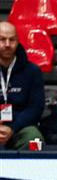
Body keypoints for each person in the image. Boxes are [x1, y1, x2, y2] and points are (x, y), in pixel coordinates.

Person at [0, 22, 47, 150]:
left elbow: (35, 108)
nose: (7, 44)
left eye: (12, 40)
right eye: (2, 39)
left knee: (34, 139)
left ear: (18, 41)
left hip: (20, 127)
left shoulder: (32, 71)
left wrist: (12, 128)